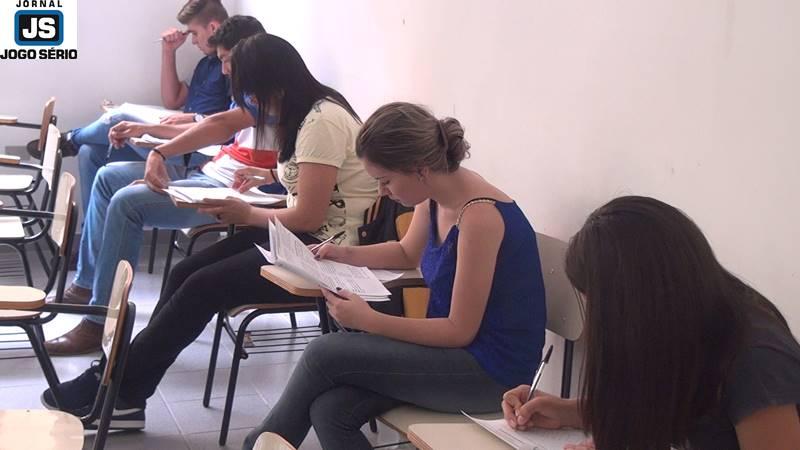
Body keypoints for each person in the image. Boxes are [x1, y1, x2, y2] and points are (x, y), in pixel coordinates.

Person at [41, 33, 379, 430]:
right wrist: (268, 175)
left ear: (274, 86)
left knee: (204, 286)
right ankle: (126, 385)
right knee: (185, 272)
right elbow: (318, 179)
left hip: (330, 252)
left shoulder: (322, 121)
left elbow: (308, 216)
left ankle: (119, 387)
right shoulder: (308, 112)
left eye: (251, 93)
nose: (250, 104)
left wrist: (245, 212)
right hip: (303, 239)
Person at [232, 101, 548, 450]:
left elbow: (460, 330)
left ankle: (256, 445)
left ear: (419, 170)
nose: (382, 191)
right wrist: (342, 253)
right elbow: (406, 252)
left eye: (385, 181)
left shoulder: (479, 218)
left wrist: (368, 320)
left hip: (493, 374)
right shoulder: (434, 195)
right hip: (452, 355)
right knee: (331, 409)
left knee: (325, 352)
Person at [44, 16, 280, 355]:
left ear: (249, 54)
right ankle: (86, 285)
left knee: (127, 202)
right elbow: (213, 124)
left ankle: (99, 323)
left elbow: (218, 125)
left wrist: (158, 146)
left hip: (229, 188)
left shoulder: (269, 95)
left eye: (228, 60)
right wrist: (150, 135)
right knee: (107, 177)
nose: (224, 69)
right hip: (210, 171)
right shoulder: (247, 89)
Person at [501, 196, 800, 450]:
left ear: (641, 304)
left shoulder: (756, 361)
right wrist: (570, 411)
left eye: (599, 307)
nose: (595, 319)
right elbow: (666, 403)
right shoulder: (682, 322)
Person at [62, 0, 231, 216]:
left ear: (213, 28)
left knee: (119, 118)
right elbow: (172, 100)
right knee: (89, 153)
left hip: (195, 148)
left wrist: (194, 118)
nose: (193, 41)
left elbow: (229, 121)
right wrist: (168, 51)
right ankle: (91, 231)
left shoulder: (229, 66)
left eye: (194, 33)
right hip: (176, 134)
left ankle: (68, 140)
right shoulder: (205, 64)